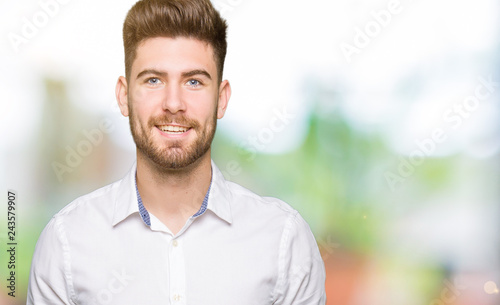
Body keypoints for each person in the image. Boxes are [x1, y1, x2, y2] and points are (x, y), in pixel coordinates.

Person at [27, 0, 326, 304]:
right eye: (153, 80)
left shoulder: (284, 240)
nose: (173, 103)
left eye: (194, 81)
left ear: (221, 99)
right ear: (124, 96)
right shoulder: (66, 242)